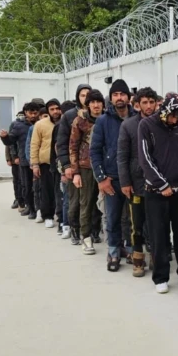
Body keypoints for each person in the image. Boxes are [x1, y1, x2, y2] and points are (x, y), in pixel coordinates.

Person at [138, 92, 178, 292]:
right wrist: (162, 184)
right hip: (156, 191)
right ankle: (160, 277)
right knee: (159, 235)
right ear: (165, 110)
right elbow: (145, 158)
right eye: (172, 115)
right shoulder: (146, 125)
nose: (174, 120)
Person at [90, 79, 137, 271]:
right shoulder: (103, 121)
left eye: (122, 94)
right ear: (111, 98)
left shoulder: (137, 118)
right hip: (112, 178)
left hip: (134, 178)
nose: (119, 98)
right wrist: (101, 178)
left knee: (134, 219)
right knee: (113, 217)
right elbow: (95, 151)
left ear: (128, 97)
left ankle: (132, 250)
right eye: (115, 94)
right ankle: (113, 251)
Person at [118, 87, 160, 277]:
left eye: (152, 102)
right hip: (136, 183)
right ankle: (138, 259)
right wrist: (125, 182)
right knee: (136, 224)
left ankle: (156, 257)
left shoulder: (161, 123)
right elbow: (122, 156)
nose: (149, 106)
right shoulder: (128, 125)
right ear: (137, 105)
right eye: (145, 102)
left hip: (158, 183)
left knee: (157, 224)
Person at [57, 84, 94, 245]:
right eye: (82, 95)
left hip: (93, 164)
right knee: (75, 201)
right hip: (74, 165)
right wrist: (66, 166)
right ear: (78, 97)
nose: (85, 98)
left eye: (88, 95)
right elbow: (63, 143)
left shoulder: (97, 114)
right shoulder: (70, 116)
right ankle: (75, 229)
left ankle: (93, 231)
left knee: (92, 201)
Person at [70, 89, 105, 255]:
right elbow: (73, 147)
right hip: (86, 167)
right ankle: (86, 237)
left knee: (105, 204)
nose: (96, 105)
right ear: (87, 104)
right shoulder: (80, 121)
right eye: (92, 102)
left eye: (98, 102)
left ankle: (99, 232)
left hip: (106, 166)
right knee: (86, 203)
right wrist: (75, 172)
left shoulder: (108, 119)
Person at [1, 101, 39, 218]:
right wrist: (4, 137)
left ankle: (40, 209)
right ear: (25, 113)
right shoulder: (18, 126)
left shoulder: (41, 123)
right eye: (30, 113)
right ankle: (31, 208)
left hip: (40, 161)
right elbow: (10, 141)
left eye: (35, 113)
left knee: (39, 187)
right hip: (25, 161)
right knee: (27, 187)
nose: (33, 115)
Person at [30, 99, 63, 229]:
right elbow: (34, 144)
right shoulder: (40, 124)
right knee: (47, 190)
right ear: (48, 111)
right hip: (46, 163)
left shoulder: (65, 122)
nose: (55, 111)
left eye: (57, 108)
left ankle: (62, 217)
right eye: (52, 109)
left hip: (62, 162)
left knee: (60, 191)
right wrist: (35, 164)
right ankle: (48, 216)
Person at [53, 101, 77, 237]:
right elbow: (58, 149)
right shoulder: (60, 126)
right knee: (67, 197)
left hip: (78, 165)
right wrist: (63, 169)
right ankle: (65, 224)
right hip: (66, 166)